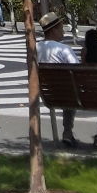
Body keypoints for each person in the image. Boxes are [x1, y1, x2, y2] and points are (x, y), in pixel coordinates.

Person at [36, 10, 81, 147]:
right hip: (68, 94)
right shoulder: (63, 49)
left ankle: (66, 133)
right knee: (71, 92)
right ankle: (67, 131)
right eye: (61, 28)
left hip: (48, 93)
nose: (63, 31)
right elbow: (78, 70)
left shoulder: (36, 47)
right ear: (54, 30)